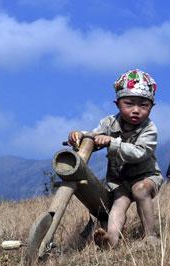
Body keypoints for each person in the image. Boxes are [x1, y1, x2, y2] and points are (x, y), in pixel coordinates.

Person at [68, 69, 163, 248]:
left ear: (152, 107)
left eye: (144, 105)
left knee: (140, 190)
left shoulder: (149, 129)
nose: (136, 110)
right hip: (120, 180)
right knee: (118, 205)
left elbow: (140, 153)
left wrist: (113, 143)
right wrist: (79, 136)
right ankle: (111, 238)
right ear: (117, 104)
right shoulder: (109, 123)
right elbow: (93, 136)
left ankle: (151, 237)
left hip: (146, 176)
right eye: (129, 104)